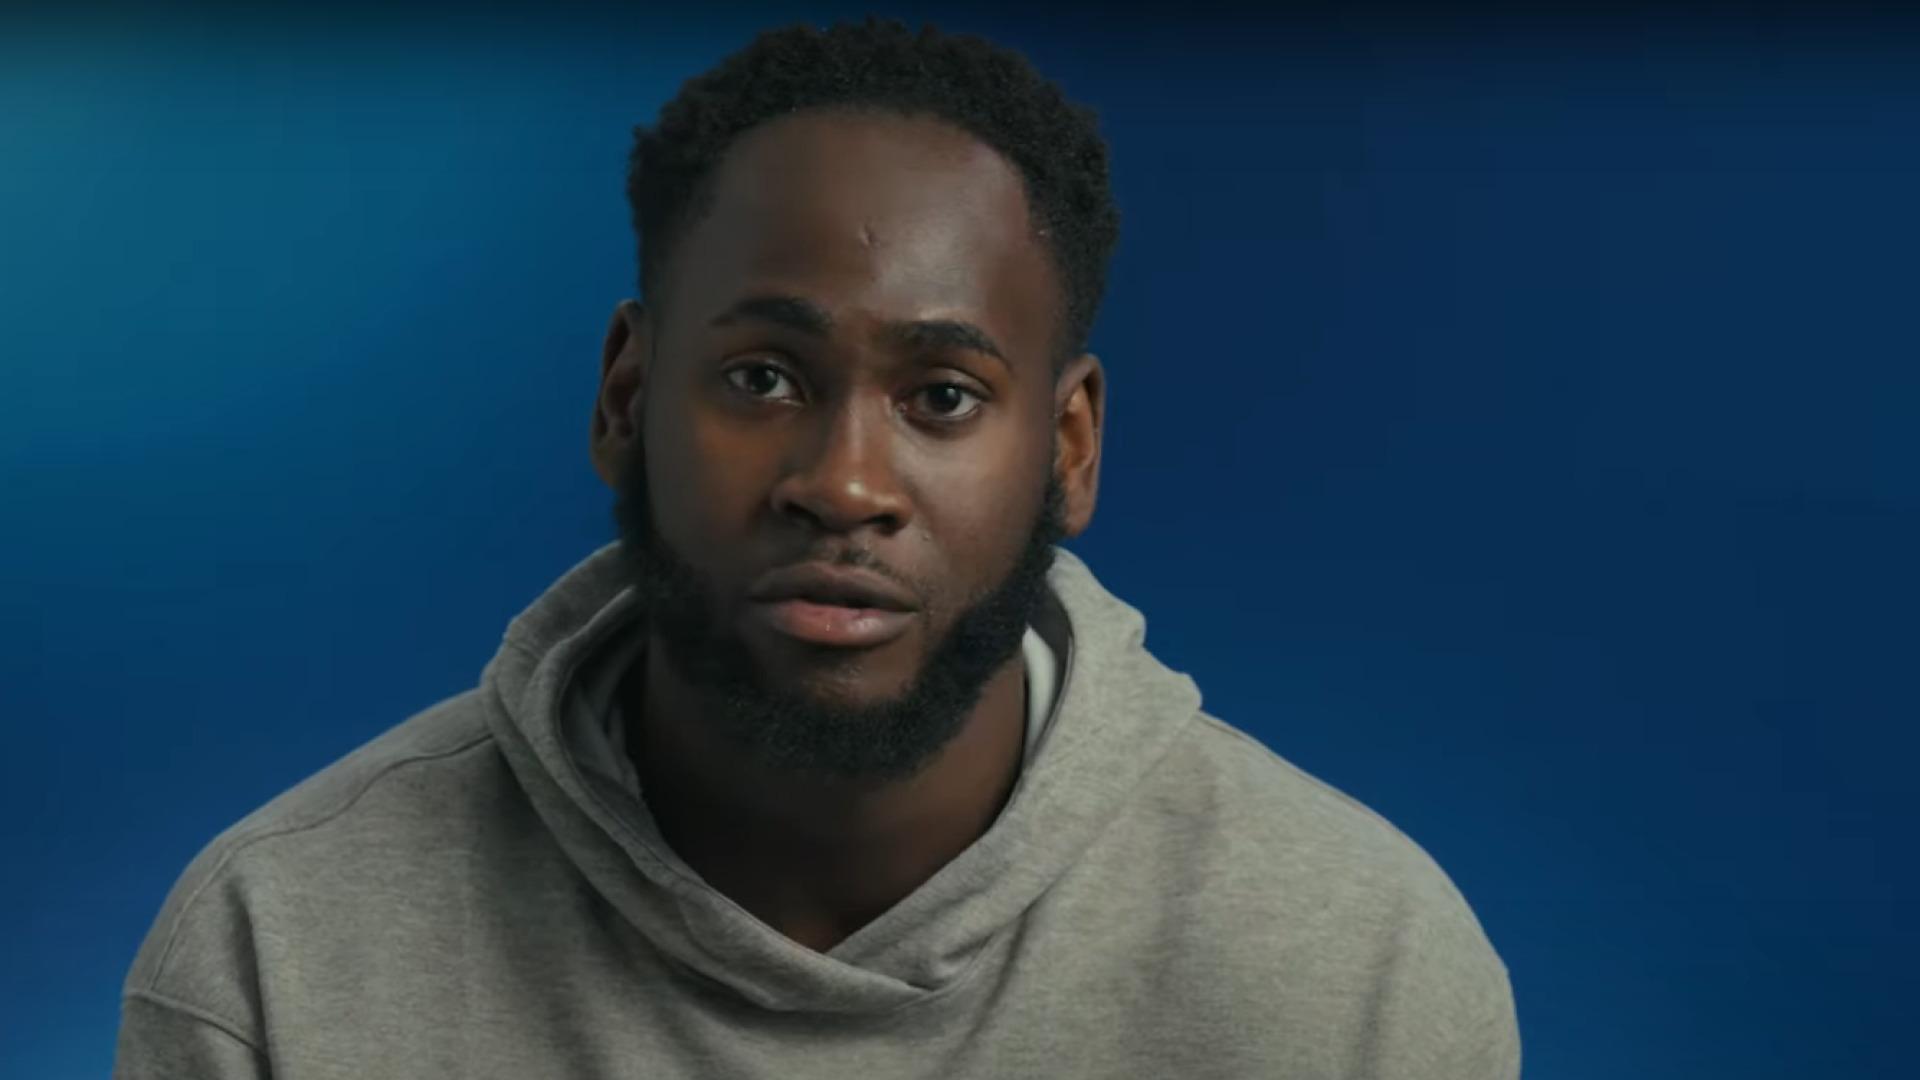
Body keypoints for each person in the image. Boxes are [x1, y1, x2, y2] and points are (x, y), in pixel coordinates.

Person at [115, 19, 1520, 1079]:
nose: (844, 484)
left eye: (943, 397)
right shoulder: (278, 950)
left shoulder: (1362, 978)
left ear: (1070, 448)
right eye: (764, 378)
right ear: (625, 400)